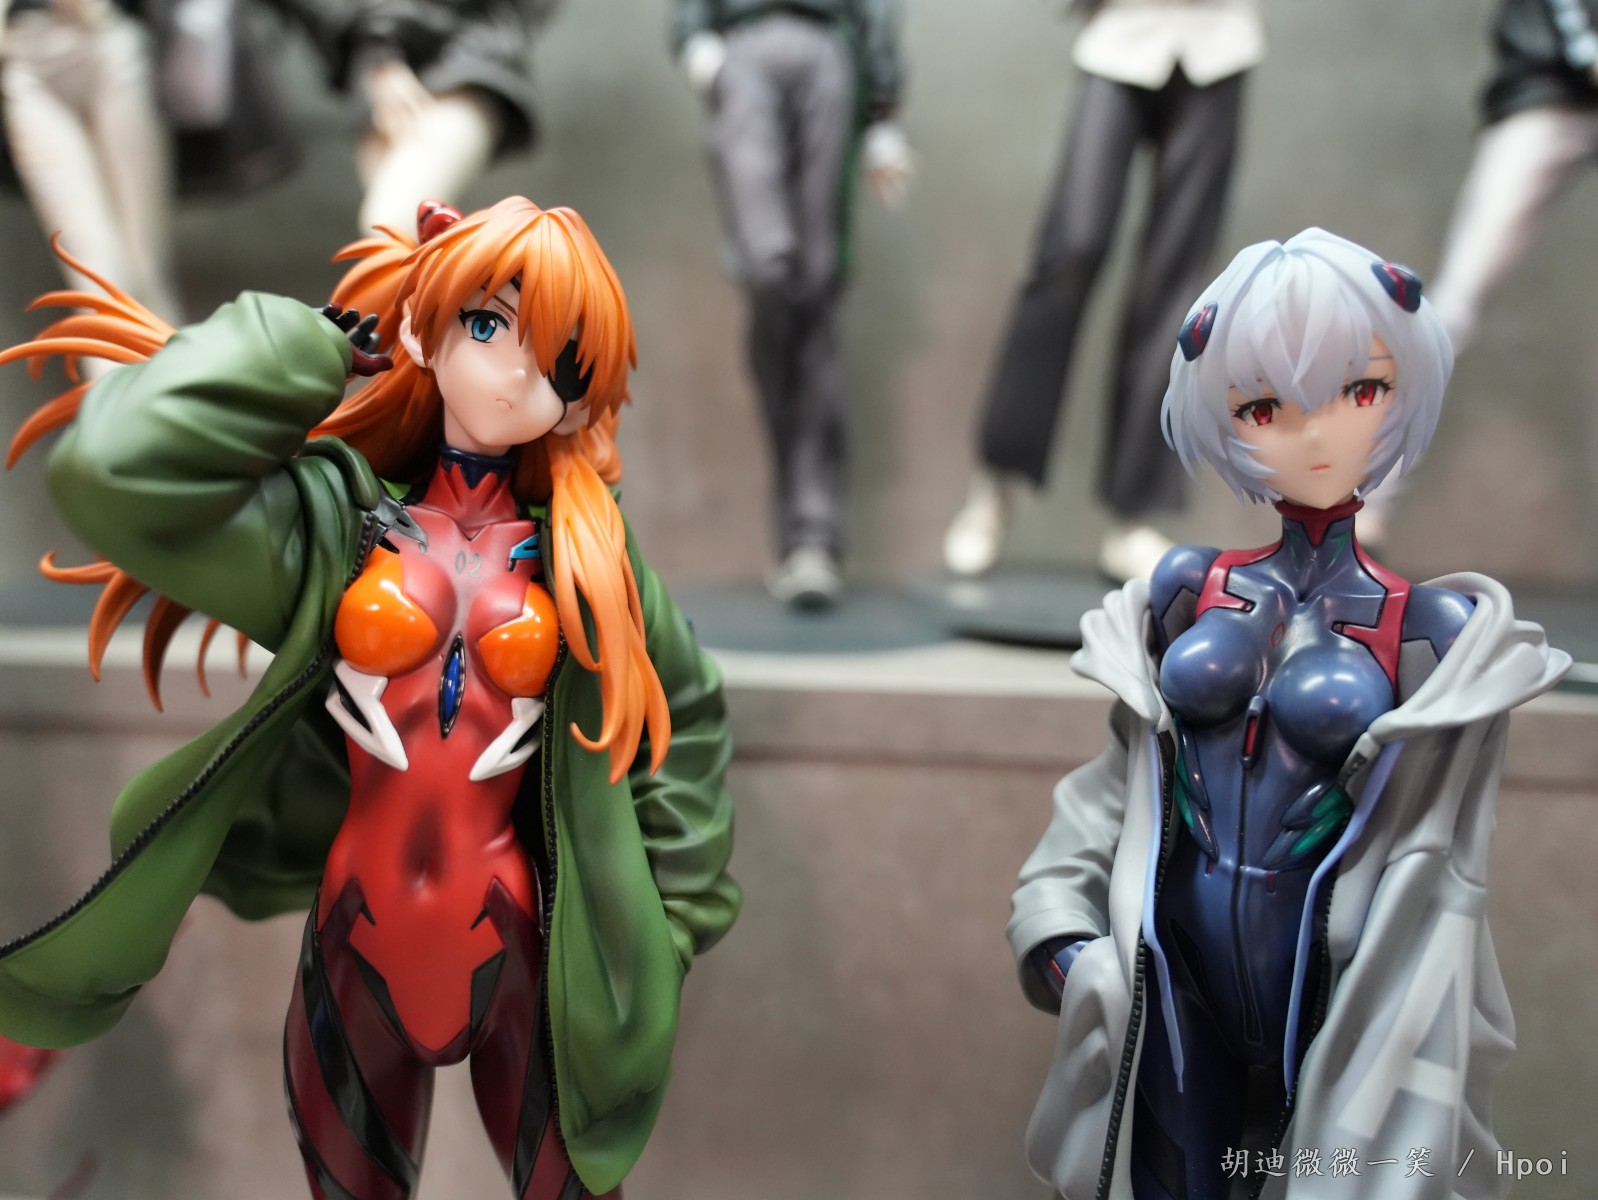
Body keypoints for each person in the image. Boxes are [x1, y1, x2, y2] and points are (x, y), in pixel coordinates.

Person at [0, 197, 740, 1200]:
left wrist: (672, 922)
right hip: (357, 937)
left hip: (523, 948)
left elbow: (687, 711)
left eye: (558, 364)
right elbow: (112, 469)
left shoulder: (586, 559)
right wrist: (297, 348)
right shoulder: (339, 528)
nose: (515, 372)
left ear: (576, 405)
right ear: (428, 331)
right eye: (490, 324)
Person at [1008, 229, 1569, 1199]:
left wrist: (1418, 1008)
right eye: (1264, 406)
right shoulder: (1188, 589)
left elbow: (1444, 866)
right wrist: (1062, 939)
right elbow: (1117, 784)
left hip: (1339, 991)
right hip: (1175, 978)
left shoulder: (1429, 629)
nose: (1314, 433)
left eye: (1359, 391)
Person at [944, 0, 1263, 582]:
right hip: (1120, 37)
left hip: (1219, 42)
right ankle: (998, 477)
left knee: (1175, 284)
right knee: (1071, 247)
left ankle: (1132, 514)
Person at [671, 0, 912, 607]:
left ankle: (812, 539)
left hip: (829, 46)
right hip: (743, 44)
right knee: (769, 267)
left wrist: (881, 112)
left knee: (818, 286)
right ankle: (802, 522)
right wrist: (694, 37)